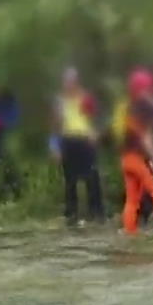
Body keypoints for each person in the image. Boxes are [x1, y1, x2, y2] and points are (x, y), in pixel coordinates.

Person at [116, 68, 153, 235]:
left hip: (126, 159)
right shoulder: (144, 107)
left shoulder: (129, 106)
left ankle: (130, 234)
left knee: (132, 200)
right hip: (140, 159)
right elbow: (146, 136)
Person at [53, 67, 105, 225]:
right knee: (70, 180)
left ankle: (97, 213)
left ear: (77, 82)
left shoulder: (85, 98)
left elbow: (94, 117)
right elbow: (56, 124)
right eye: (67, 82)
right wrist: (54, 145)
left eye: (72, 82)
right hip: (68, 140)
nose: (69, 85)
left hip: (85, 139)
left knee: (92, 177)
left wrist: (95, 133)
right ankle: (71, 214)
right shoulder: (60, 101)